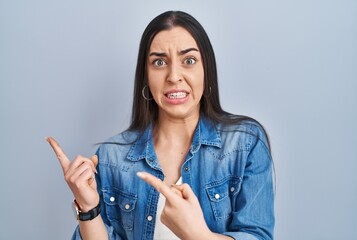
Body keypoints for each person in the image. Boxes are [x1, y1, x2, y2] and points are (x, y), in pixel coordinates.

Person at [47, 10, 274, 240]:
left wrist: (197, 234)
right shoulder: (112, 157)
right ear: (146, 76)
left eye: (189, 60)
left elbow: (258, 235)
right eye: (159, 62)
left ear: (206, 71)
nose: (174, 76)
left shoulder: (245, 143)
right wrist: (88, 208)